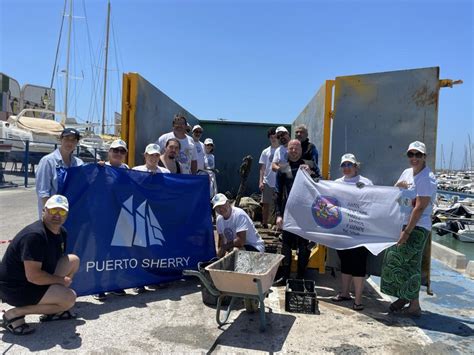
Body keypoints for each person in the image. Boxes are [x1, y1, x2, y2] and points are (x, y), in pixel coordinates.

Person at [0, 195, 80, 335]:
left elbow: (55, 260)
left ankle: (54, 308)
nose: (57, 215)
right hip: (16, 287)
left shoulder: (61, 232)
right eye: (53, 210)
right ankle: (14, 314)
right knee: (69, 298)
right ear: (44, 210)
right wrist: (60, 281)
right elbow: (34, 277)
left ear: (66, 215)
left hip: (33, 278)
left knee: (73, 260)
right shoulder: (35, 236)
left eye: (61, 212)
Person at [381, 141, 437, 317]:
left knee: (410, 264)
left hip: (417, 227)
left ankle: (414, 305)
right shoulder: (407, 172)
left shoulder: (427, 178)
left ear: (424, 157)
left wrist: (407, 232)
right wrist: (399, 187)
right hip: (403, 222)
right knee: (395, 261)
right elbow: (397, 192)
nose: (414, 158)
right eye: (411, 154)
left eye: (418, 155)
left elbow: (420, 207)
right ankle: (405, 296)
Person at [331, 153, 373, 311]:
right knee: (345, 262)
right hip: (342, 230)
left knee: (359, 265)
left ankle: (358, 300)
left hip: (360, 231)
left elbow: (373, 202)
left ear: (356, 166)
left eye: (350, 165)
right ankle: (344, 293)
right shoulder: (336, 183)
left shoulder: (366, 182)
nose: (347, 168)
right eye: (344, 165)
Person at [275, 139, 320, 283]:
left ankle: (301, 275)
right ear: (287, 150)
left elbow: (321, 182)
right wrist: (278, 215)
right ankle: (286, 275)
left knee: (303, 245)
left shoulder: (309, 164)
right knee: (286, 245)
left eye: (296, 148)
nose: (293, 151)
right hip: (288, 212)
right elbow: (278, 192)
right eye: (291, 148)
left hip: (306, 213)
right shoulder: (283, 167)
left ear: (301, 150)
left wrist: (311, 173)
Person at [94, 139, 130, 300]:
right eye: (115, 150)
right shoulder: (101, 168)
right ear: (109, 152)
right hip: (103, 218)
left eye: (122, 151)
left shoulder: (127, 169)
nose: (118, 154)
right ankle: (97, 285)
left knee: (117, 253)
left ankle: (113, 283)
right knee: (101, 253)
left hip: (121, 217)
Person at [36, 128, 84, 218]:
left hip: (70, 214)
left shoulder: (79, 163)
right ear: (61, 139)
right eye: (66, 139)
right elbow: (43, 192)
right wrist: (51, 215)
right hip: (52, 214)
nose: (69, 143)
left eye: (73, 140)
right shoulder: (47, 161)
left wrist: (101, 168)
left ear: (77, 143)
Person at [212, 193, 265, 257]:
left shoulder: (239, 215)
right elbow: (221, 243)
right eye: (217, 207)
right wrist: (218, 259)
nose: (221, 209)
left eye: (222, 205)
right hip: (238, 248)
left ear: (228, 203)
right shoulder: (219, 220)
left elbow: (241, 241)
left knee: (235, 250)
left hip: (255, 247)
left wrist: (224, 247)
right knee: (229, 253)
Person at [258, 127, 278, 228]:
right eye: (271, 137)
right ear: (269, 138)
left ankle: (276, 225)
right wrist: (261, 181)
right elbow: (262, 168)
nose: (273, 139)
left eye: (275, 137)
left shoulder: (283, 150)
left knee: (278, 205)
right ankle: (264, 223)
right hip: (267, 181)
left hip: (279, 182)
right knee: (265, 204)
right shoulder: (265, 152)